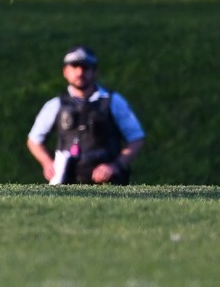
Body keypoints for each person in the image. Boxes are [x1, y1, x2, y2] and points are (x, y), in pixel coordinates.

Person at [26, 45, 145, 185]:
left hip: (108, 182)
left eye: (85, 67)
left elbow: (136, 139)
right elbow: (34, 141)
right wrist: (47, 163)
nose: (80, 72)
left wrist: (115, 165)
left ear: (94, 71)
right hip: (65, 181)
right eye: (74, 66)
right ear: (65, 71)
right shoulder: (55, 105)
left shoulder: (113, 101)